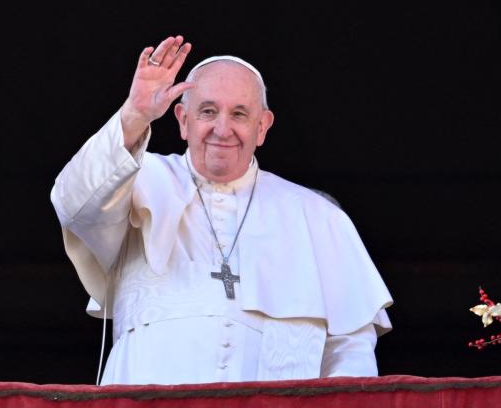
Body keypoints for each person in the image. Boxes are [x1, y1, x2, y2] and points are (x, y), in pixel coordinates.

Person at [50, 35, 393, 385]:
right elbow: (74, 203)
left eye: (240, 114)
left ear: (262, 127)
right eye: (208, 111)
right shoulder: (136, 179)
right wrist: (134, 116)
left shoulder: (318, 217)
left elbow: (351, 351)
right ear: (183, 120)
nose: (222, 129)